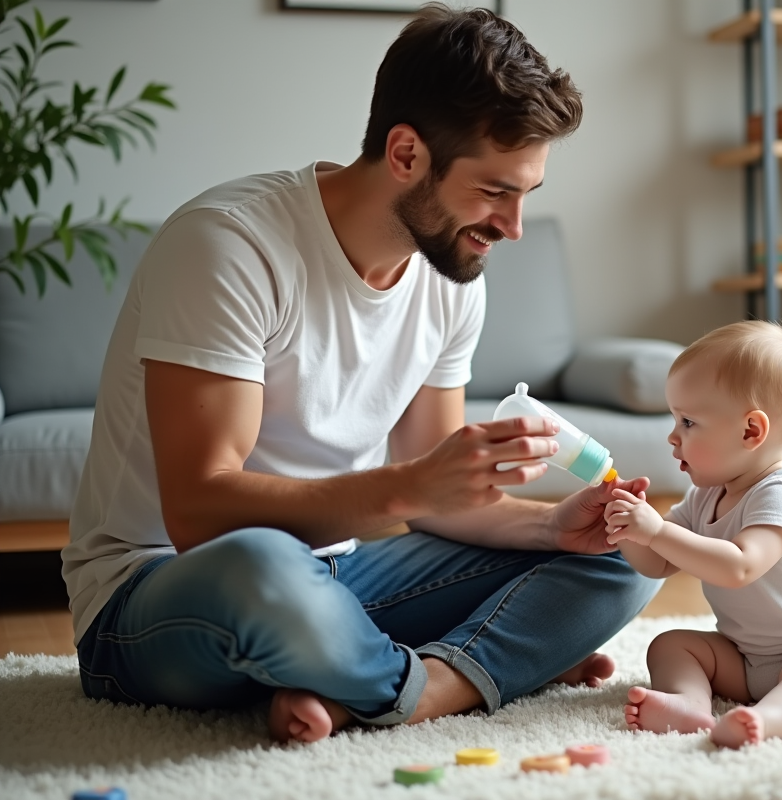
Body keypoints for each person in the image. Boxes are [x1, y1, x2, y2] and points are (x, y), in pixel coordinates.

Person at [60, 4, 661, 745]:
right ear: (406, 153)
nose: (513, 227)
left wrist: (547, 526)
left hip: (340, 578)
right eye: (494, 191)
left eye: (525, 194)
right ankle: (460, 671)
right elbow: (198, 514)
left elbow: (439, 495)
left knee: (631, 553)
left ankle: (388, 683)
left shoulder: (452, 277)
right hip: (161, 592)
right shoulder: (229, 247)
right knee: (265, 566)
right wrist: (410, 487)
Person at [602, 320, 782, 749]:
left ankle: (763, 721)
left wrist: (655, 530)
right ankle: (690, 704)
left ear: (751, 431)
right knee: (671, 645)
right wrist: (626, 529)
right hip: (746, 657)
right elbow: (657, 563)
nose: (673, 437)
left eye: (689, 422)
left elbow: (739, 566)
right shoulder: (704, 495)